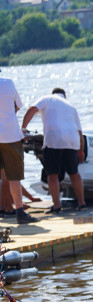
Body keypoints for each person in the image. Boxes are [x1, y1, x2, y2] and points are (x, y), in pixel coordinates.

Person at [21, 88, 87, 212]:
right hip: (72, 141)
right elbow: (80, 132)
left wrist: (23, 128)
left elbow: (32, 109)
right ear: (64, 96)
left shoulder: (47, 99)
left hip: (54, 139)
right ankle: (82, 204)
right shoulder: (71, 106)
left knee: (52, 175)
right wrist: (80, 151)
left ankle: (56, 206)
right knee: (74, 173)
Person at [0, 73, 36, 224]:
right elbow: (18, 105)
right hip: (10, 135)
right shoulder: (8, 83)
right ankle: (20, 212)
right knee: (14, 176)